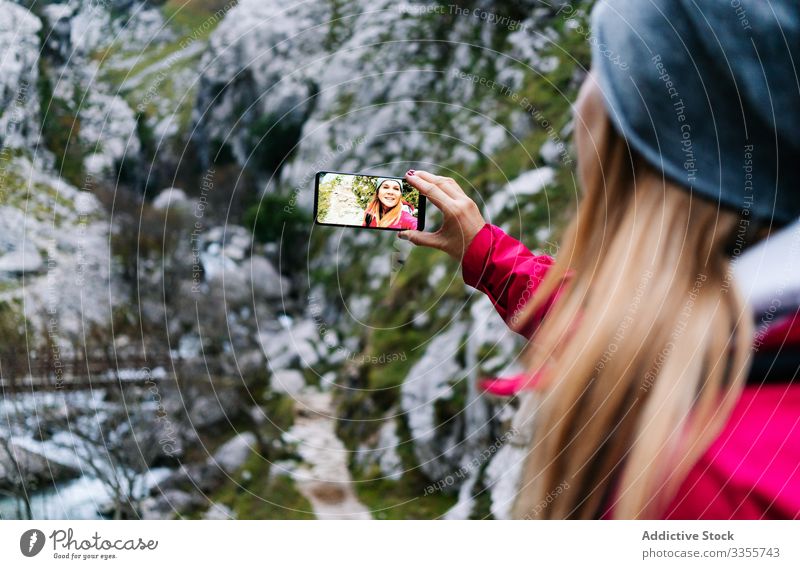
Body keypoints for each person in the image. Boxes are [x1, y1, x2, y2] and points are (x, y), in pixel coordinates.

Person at [399, 0, 800, 519]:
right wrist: (485, 249)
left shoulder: (697, 479)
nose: (579, 98)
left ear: (643, 138)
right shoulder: (747, 343)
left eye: (600, 68)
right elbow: (621, 337)